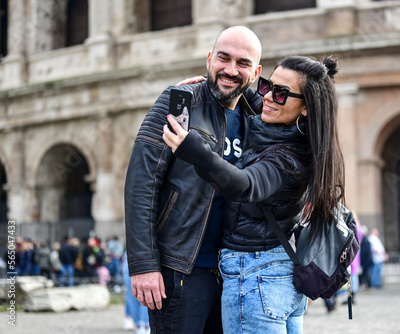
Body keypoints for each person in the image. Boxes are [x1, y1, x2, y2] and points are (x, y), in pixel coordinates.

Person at [164, 55, 344, 333]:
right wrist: (216, 81)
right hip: (277, 277)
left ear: (306, 107)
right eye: (267, 86)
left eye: (281, 92)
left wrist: (192, 147)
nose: (269, 97)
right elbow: (252, 95)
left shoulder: (287, 158)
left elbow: (245, 184)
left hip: (256, 277)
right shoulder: (287, 131)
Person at [124, 26, 262, 333]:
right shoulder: (181, 102)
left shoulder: (258, 117)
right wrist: (144, 265)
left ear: (256, 72)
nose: (230, 70)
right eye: (223, 58)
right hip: (181, 267)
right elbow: (142, 184)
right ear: (209, 59)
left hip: (234, 271)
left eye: (243, 63)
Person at [122, 252, 150, 334]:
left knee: (133, 291)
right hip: (144, 252)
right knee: (138, 291)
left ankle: (141, 323)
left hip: (131, 252)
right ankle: (144, 323)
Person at [359, 225, 373, 289]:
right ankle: (367, 285)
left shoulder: (365, 241)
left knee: (366, 274)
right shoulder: (366, 240)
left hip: (366, 261)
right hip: (367, 261)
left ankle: (369, 286)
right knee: (366, 274)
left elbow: (363, 252)